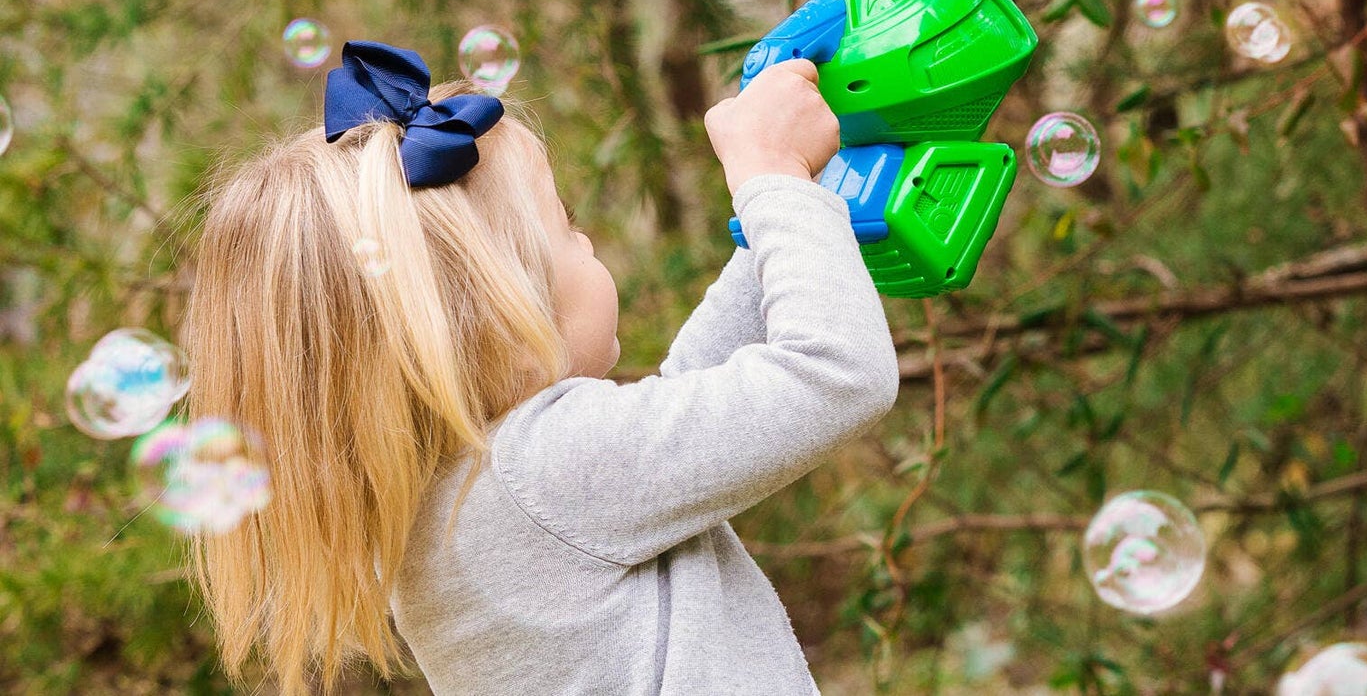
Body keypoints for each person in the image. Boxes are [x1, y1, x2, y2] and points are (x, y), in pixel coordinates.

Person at [184, 39, 899, 696]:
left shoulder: (467, 491)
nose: (587, 244)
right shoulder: (542, 473)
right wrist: (770, 176)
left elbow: (684, 405)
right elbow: (836, 372)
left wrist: (799, 205)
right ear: (495, 312)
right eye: (567, 226)